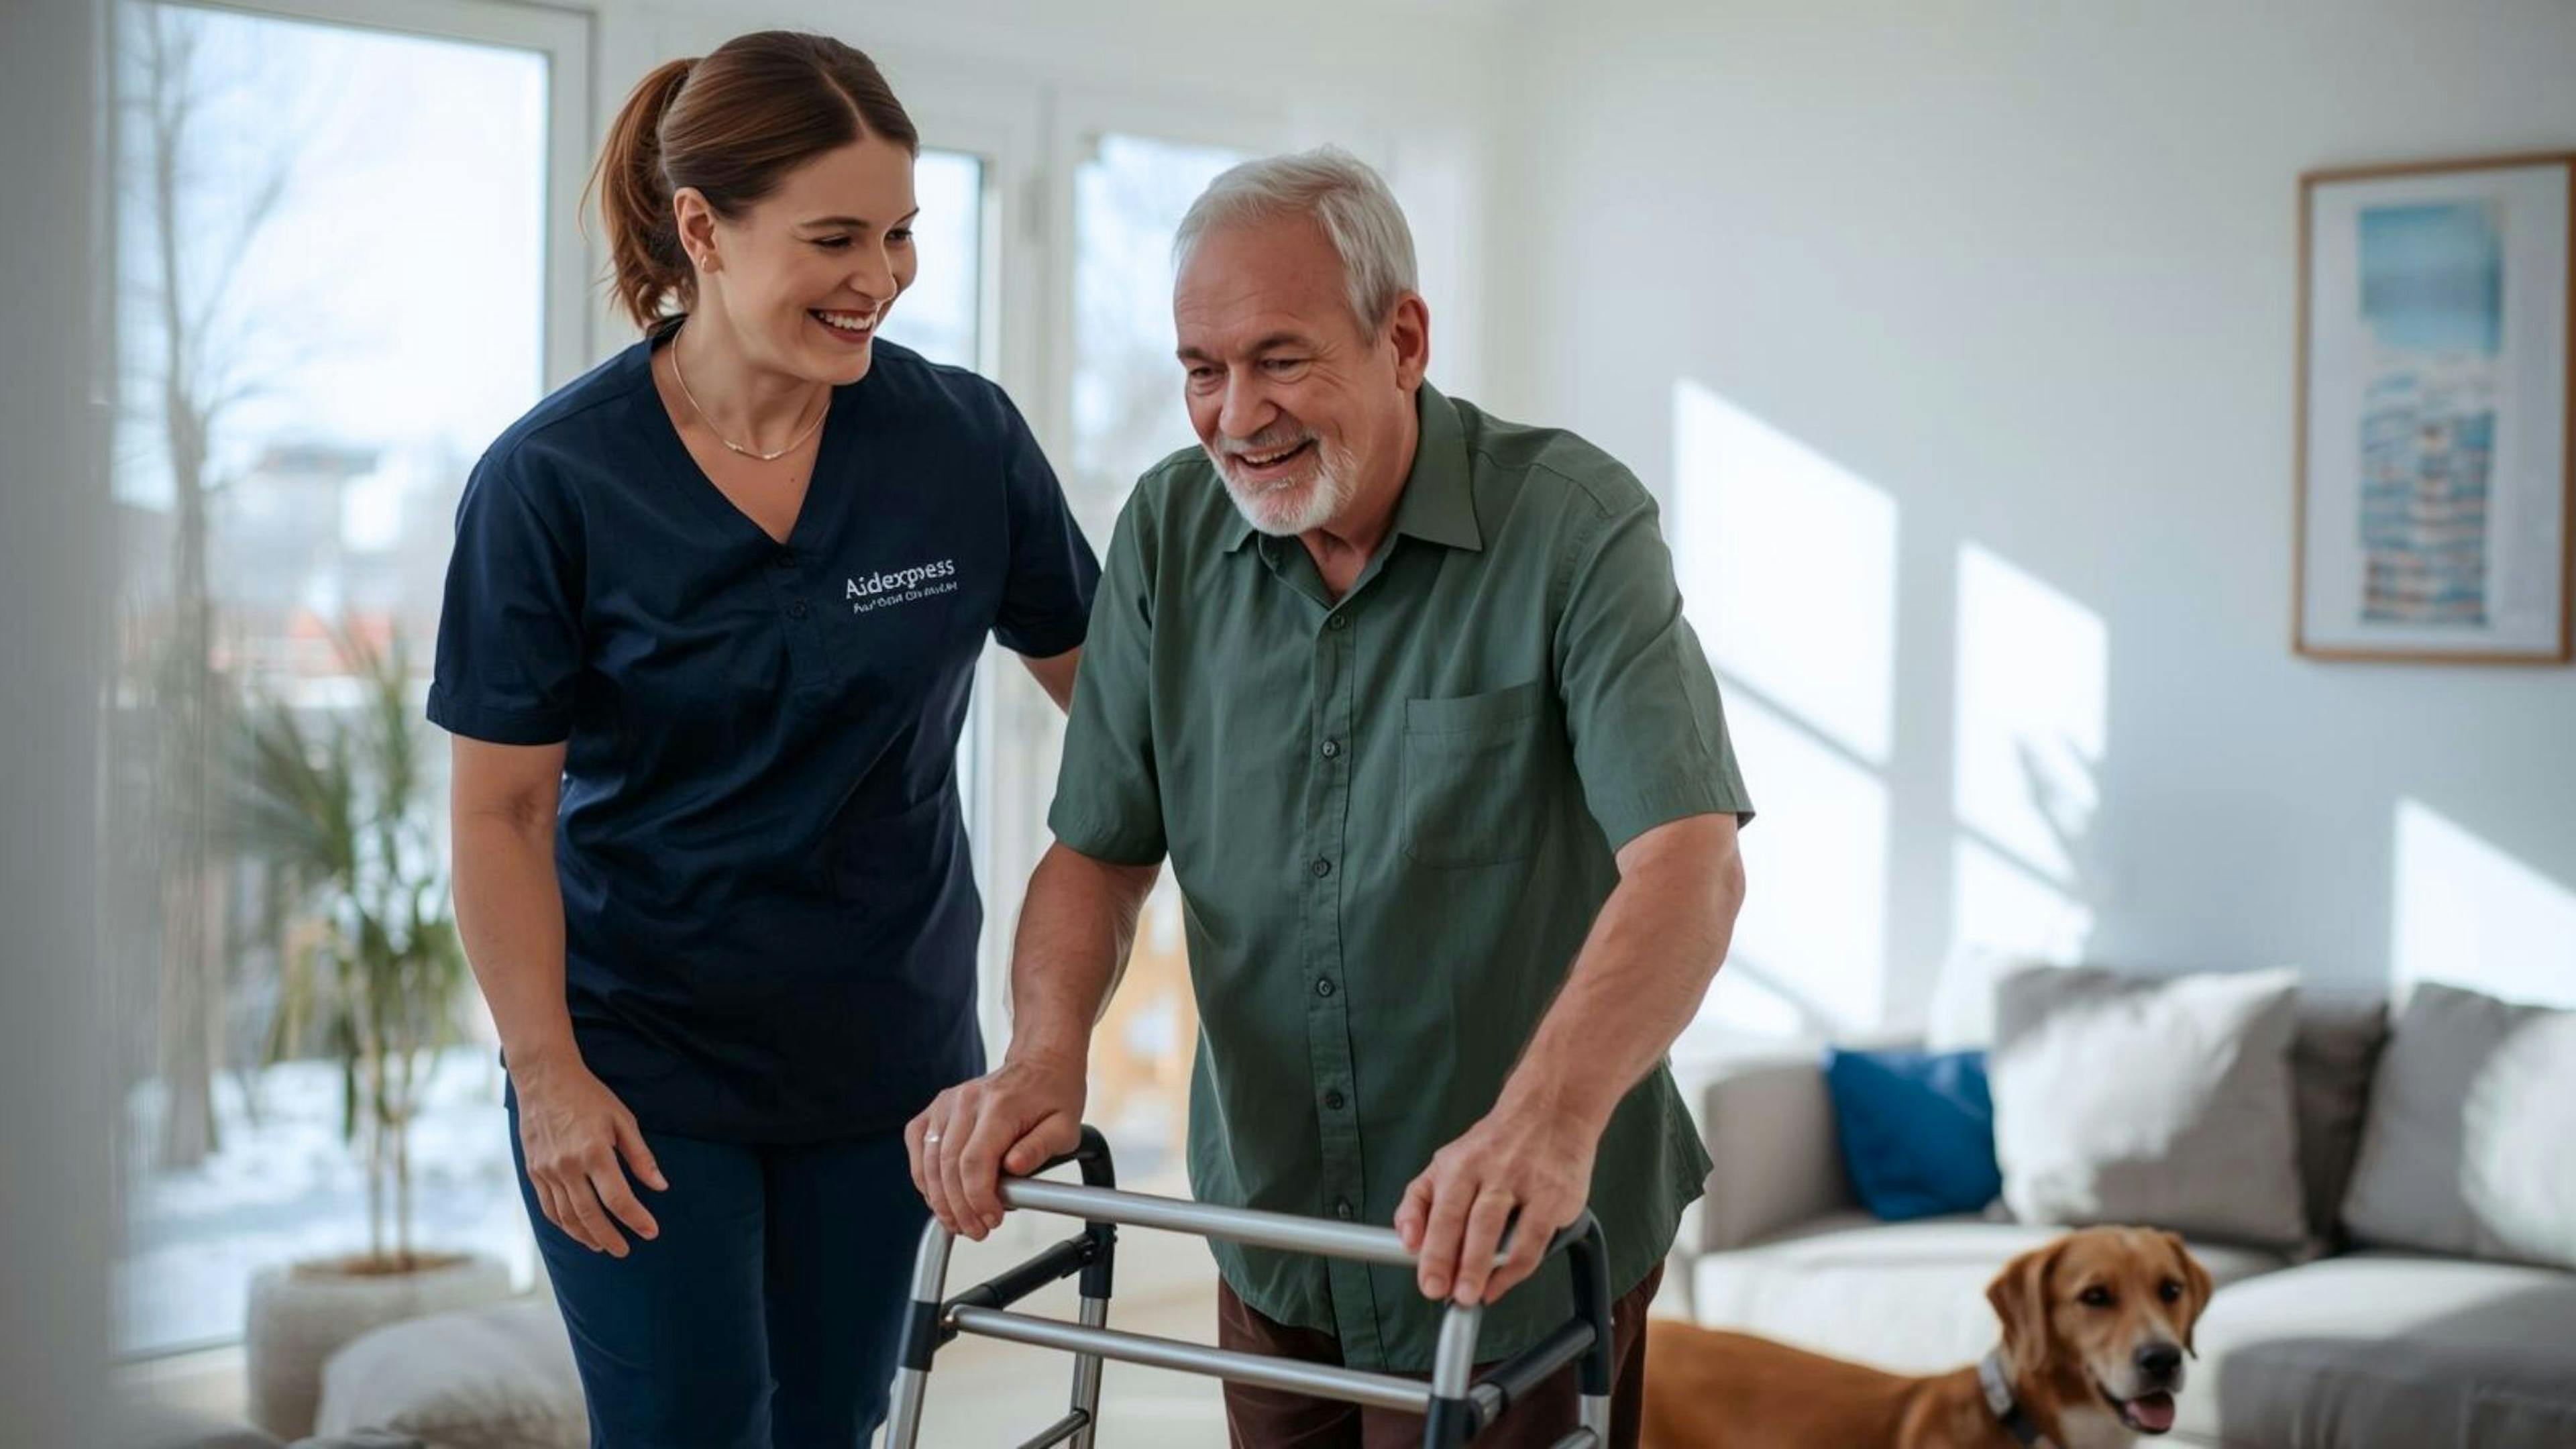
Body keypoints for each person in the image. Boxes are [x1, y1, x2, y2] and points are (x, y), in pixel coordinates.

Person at [908, 147, 1752, 1448]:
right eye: (1203, 369)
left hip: (1520, 1242)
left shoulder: (1575, 528)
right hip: (1277, 1234)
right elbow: (1097, 854)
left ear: (1403, 339)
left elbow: (1689, 863)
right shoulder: (1167, 535)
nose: (1237, 413)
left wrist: (1546, 1123)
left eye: (1280, 359)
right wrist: (1042, 1050)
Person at [429, 31, 1097, 1447]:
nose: (883, 277)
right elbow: (498, 816)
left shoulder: (961, 446)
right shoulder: (554, 484)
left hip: (890, 1066)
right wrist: (545, 1076)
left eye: (904, 234)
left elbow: (1121, 718)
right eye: (837, 237)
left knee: (834, 1425)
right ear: (701, 231)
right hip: (637, 1072)